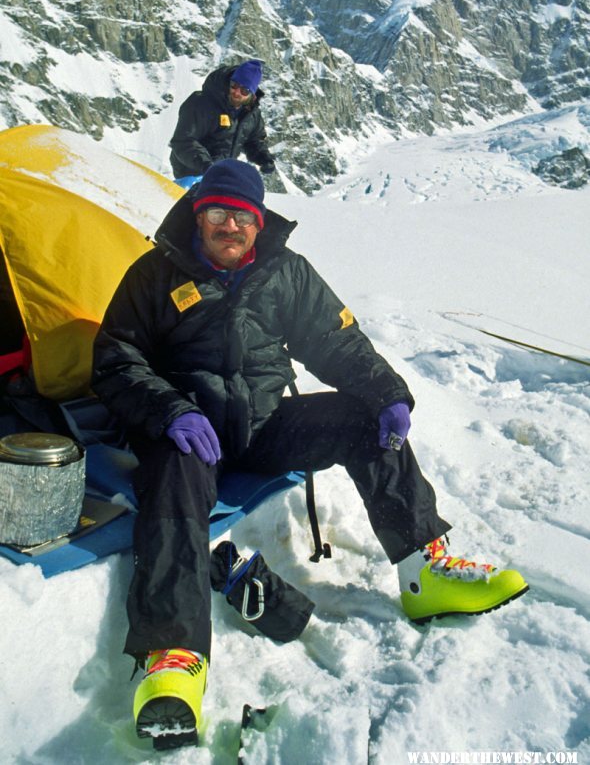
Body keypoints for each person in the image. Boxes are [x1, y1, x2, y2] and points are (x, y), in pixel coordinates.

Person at [92, 160, 528, 747]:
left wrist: (388, 394)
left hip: (267, 426)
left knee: (363, 420)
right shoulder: (154, 275)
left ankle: (425, 569)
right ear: (199, 216)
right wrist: (171, 411)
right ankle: (172, 655)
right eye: (216, 214)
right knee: (171, 478)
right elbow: (116, 358)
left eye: (241, 216)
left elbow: (336, 342)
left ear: (258, 220)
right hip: (191, 436)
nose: (229, 227)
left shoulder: (285, 272)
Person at [169, 59, 275, 181]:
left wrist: (263, 158)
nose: (236, 92)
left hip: (219, 173)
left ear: (252, 94)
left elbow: (253, 140)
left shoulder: (251, 114)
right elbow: (183, 141)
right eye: (234, 85)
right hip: (191, 173)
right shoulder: (202, 103)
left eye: (244, 90)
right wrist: (207, 166)